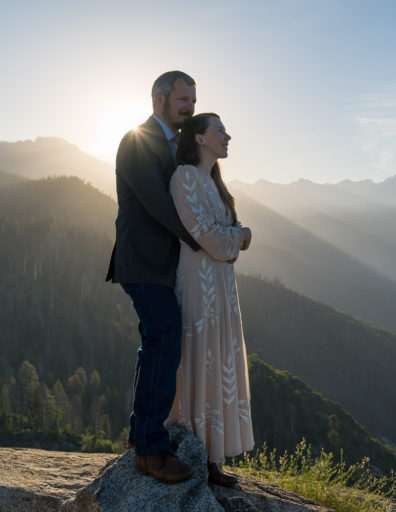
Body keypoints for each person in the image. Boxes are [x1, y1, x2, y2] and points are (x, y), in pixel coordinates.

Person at [105, 71, 201, 484]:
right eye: (183, 100)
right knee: (164, 338)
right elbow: (157, 203)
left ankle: (141, 437)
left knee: (156, 344)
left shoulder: (176, 144)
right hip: (142, 261)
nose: (190, 107)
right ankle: (150, 452)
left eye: (193, 101)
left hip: (163, 264)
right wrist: (202, 240)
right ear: (160, 98)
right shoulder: (137, 141)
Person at [166, 113, 254, 487]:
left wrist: (233, 238)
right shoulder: (184, 177)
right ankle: (194, 453)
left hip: (220, 284)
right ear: (199, 138)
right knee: (199, 358)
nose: (227, 136)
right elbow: (202, 232)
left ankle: (212, 456)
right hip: (199, 281)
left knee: (217, 361)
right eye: (220, 130)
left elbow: (221, 235)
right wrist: (241, 236)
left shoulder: (214, 182)